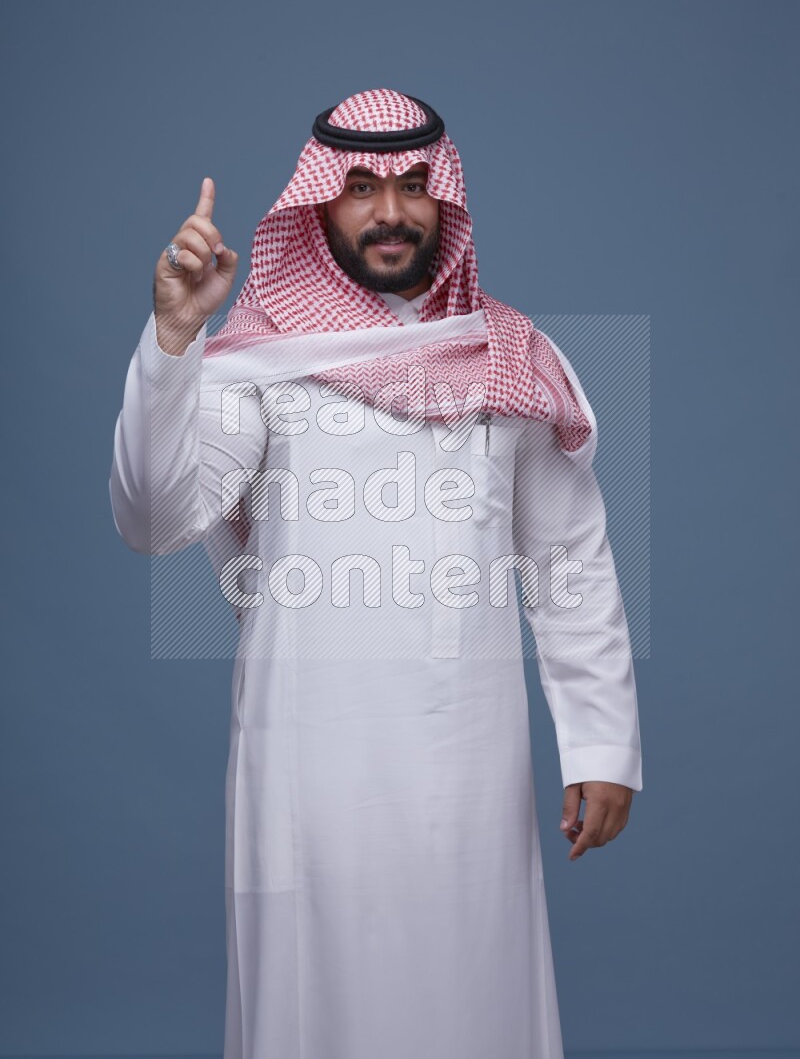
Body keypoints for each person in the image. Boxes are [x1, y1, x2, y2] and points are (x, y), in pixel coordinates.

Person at [109, 88, 642, 1059]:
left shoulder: (510, 356)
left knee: (472, 1000)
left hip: (470, 762)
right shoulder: (251, 368)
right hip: (309, 764)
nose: (388, 210)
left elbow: (567, 555)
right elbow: (152, 520)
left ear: (446, 200)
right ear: (317, 205)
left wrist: (600, 740)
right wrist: (173, 342)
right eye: (358, 187)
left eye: (410, 186)